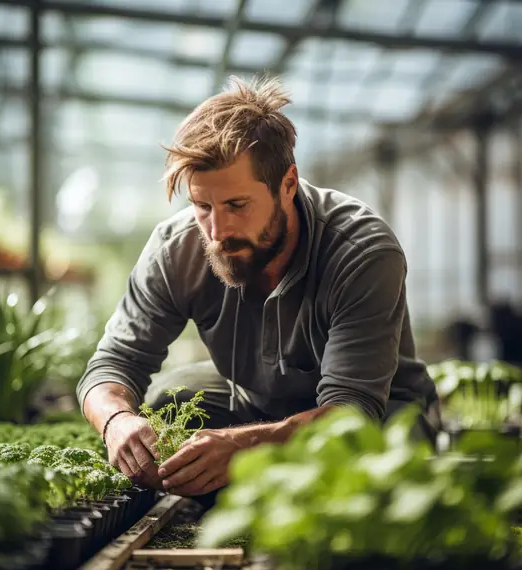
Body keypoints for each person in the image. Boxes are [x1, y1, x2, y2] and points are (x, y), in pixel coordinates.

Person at [78, 76, 440, 498]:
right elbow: (112, 364)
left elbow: (350, 413)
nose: (217, 231)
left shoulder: (361, 251)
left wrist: (242, 444)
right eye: (202, 207)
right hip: (256, 404)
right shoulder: (176, 250)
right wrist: (116, 421)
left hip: (380, 415)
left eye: (237, 205)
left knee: (372, 478)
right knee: (167, 404)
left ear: (287, 184)